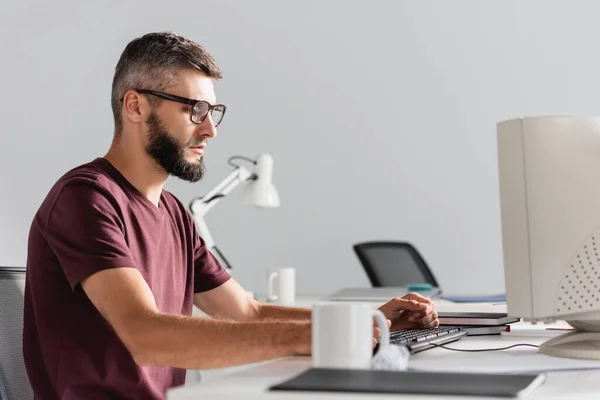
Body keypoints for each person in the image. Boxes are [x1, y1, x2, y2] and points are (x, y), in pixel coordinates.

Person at [22, 31, 439, 400]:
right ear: (135, 106)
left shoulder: (174, 214)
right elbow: (146, 336)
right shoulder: (86, 199)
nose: (210, 131)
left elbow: (246, 312)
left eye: (213, 112)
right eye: (195, 110)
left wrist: (367, 320)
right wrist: (320, 336)